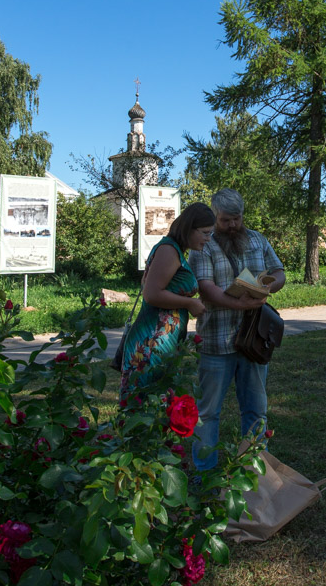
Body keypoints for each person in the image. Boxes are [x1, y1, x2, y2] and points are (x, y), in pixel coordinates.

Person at [189, 188, 286, 470]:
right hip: (216, 342)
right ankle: (204, 474)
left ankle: (253, 468)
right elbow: (206, 290)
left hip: (253, 341)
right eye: (225, 220)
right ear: (214, 216)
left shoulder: (257, 239)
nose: (232, 225)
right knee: (208, 413)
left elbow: (278, 271)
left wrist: (268, 286)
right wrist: (239, 304)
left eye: (237, 218)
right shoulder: (203, 244)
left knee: (256, 409)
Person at [118, 202, 214, 399]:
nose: (208, 239)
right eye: (205, 233)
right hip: (150, 344)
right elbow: (152, 294)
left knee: (155, 409)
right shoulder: (169, 250)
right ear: (189, 228)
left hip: (160, 342)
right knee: (143, 410)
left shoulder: (174, 250)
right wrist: (190, 303)